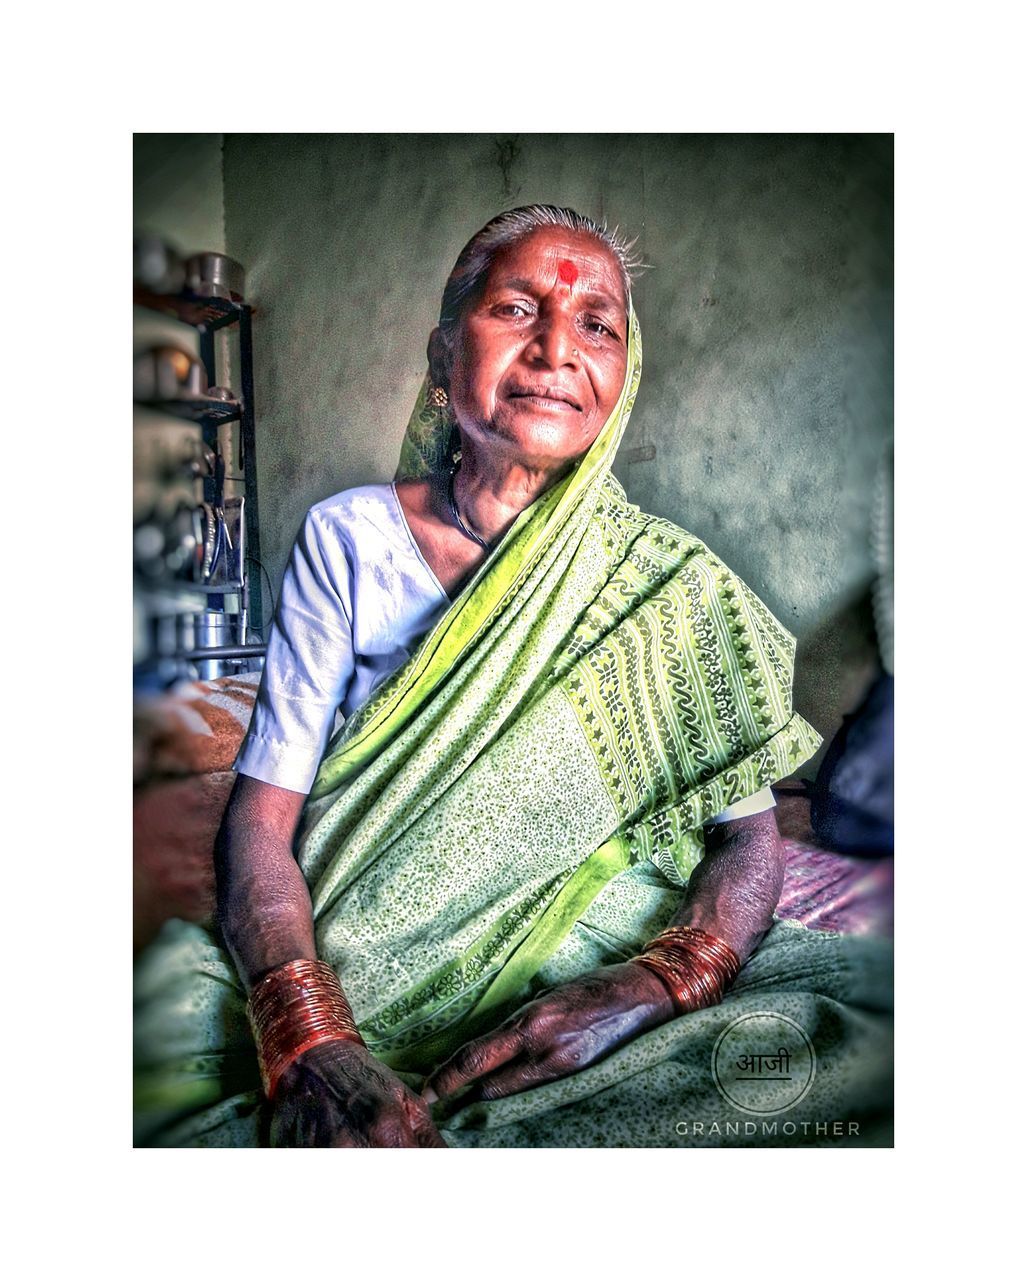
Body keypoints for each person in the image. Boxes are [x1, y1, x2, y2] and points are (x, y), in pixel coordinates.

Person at [134, 205, 893, 1148]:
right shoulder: (352, 537)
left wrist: (654, 985)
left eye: (597, 326)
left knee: (864, 1047)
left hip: (583, 942)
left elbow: (748, 843)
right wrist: (305, 1034)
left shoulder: (666, 583)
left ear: (623, 374)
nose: (555, 351)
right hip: (349, 940)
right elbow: (261, 815)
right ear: (443, 348)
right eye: (514, 309)